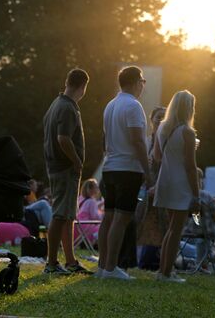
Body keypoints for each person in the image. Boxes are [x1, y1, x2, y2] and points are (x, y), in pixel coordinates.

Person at [97, 66, 149, 280]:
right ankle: (111, 268)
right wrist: (148, 170)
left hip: (109, 167)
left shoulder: (110, 105)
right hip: (127, 168)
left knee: (108, 218)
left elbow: (104, 139)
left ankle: (102, 267)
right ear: (136, 82)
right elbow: (137, 141)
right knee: (121, 218)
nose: (143, 86)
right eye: (142, 82)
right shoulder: (134, 106)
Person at [42, 68, 91, 275]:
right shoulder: (68, 108)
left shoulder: (56, 104)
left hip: (57, 167)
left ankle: (70, 261)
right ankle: (51, 263)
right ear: (83, 86)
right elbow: (63, 139)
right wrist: (77, 160)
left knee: (68, 215)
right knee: (61, 214)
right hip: (65, 168)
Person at [152, 90, 199, 283]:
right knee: (176, 230)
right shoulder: (187, 132)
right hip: (180, 184)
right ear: (189, 108)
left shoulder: (162, 128)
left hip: (165, 180)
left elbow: (156, 157)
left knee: (170, 230)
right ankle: (166, 273)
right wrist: (196, 194)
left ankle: (164, 271)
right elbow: (190, 166)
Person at [136, 106, 168, 270]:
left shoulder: (168, 141)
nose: (161, 119)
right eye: (158, 116)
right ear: (151, 120)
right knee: (141, 221)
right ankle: (140, 260)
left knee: (161, 223)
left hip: (161, 187)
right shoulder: (147, 140)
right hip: (144, 187)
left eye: (164, 116)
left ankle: (158, 263)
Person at [75, 179, 103, 245]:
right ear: (91, 189)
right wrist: (103, 215)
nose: (98, 189)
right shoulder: (91, 201)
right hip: (85, 229)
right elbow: (95, 217)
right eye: (96, 187)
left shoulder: (80, 198)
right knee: (104, 227)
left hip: (77, 228)